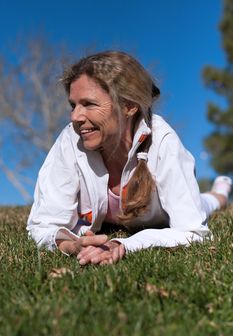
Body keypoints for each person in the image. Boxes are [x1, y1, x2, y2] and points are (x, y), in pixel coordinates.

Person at [27, 51, 232, 266]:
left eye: (89, 104)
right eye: (73, 105)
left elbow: (193, 232)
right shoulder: (70, 139)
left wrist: (124, 244)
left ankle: (221, 192)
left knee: (206, 203)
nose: (75, 117)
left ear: (129, 106)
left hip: (163, 214)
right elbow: (43, 224)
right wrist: (70, 244)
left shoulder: (163, 141)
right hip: (113, 219)